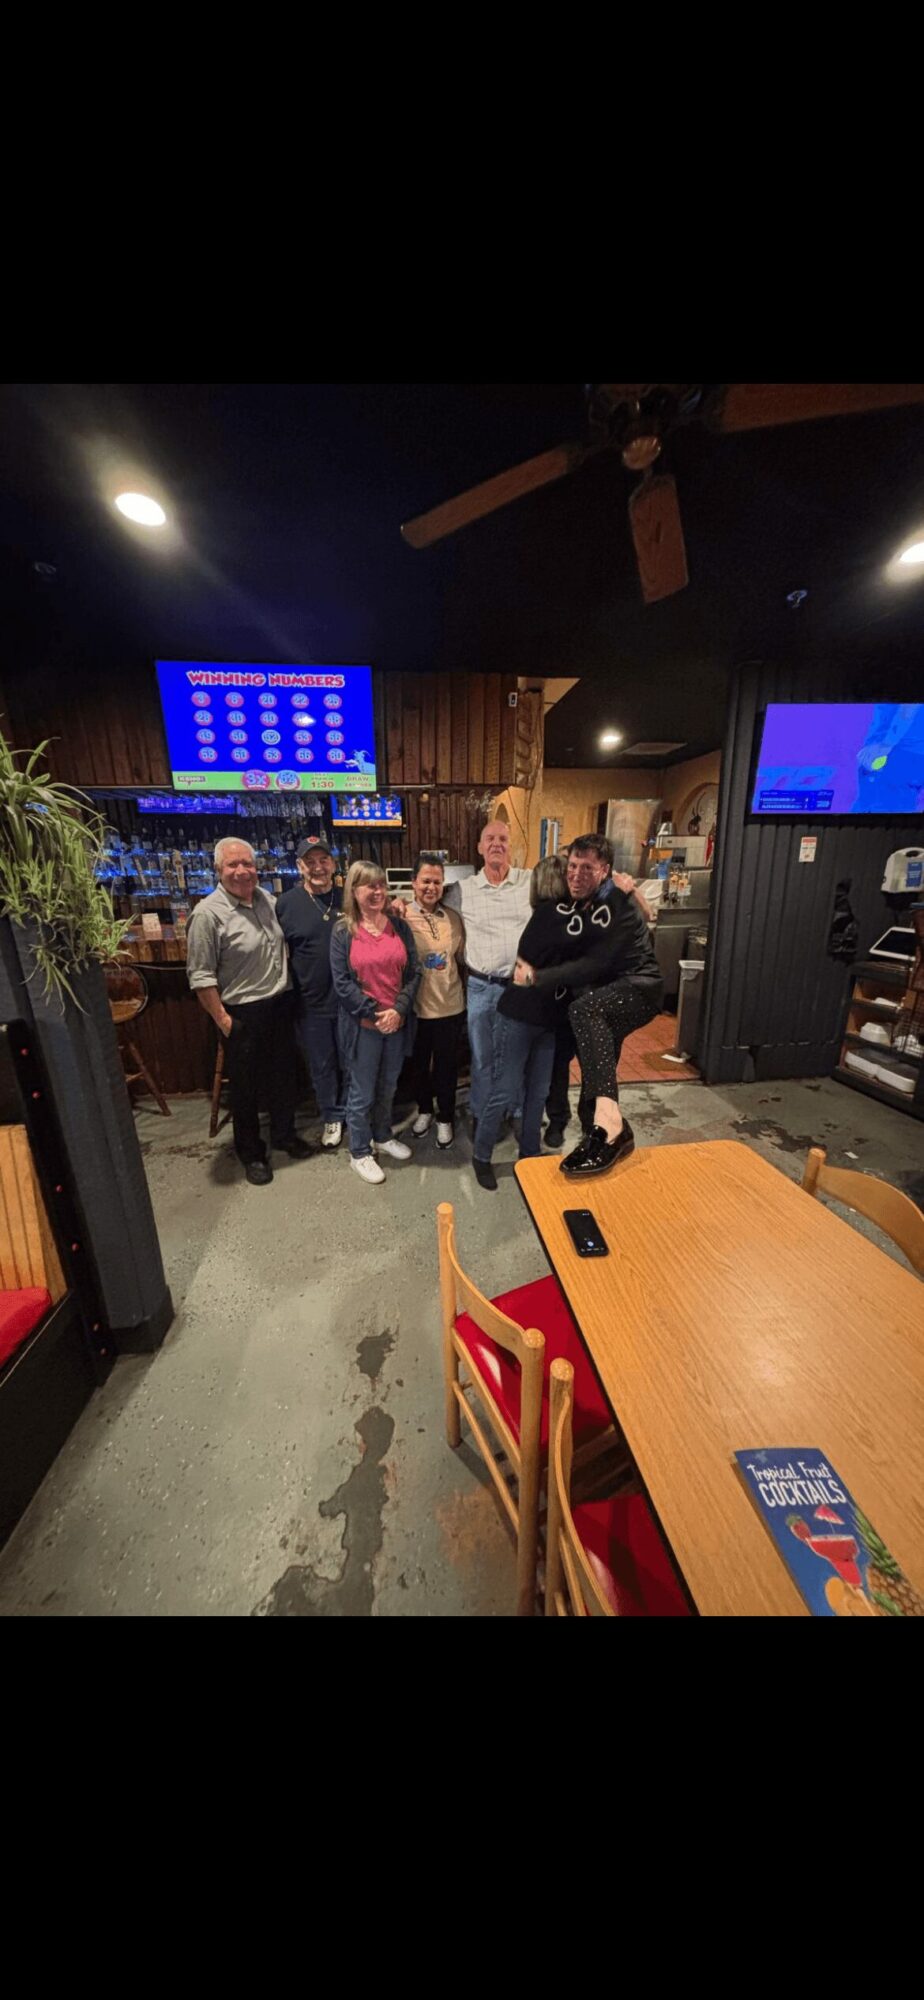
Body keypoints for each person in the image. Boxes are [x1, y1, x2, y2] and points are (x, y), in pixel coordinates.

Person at [513, 832, 663, 1178]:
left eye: (587, 868)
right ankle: (596, 1135)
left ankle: (610, 1128)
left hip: (637, 988)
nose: (577, 874)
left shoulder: (611, 901)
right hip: (607, 998)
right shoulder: (589, 901)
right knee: (599, 1067)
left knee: (584, 1014)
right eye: (573, 866)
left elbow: (590, 964)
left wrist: (536, 977)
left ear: (604, 871)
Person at [186, 837, 314, 1186]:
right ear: (218, 869)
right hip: (242, 1012)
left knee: (283, 1078)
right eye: (233, 864)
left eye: (247, 863)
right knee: (245, 1090)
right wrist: (225, 1021)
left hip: (280, 1004)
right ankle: (251, 1153)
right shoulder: (207, 914)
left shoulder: (267, 900)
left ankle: (284, 1135)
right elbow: (200, 977)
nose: (242, 871)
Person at [470, 854, 570, 1191]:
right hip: (518, 1018)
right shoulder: (548, 916)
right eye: (569, 873)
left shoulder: (560, 915)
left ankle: (529, 1154)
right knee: (504, 1090)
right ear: (555, 881)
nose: (575, 878)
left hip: (546, 1021)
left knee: (537, 1093)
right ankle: (481, 1156)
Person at [542, 862, 657, 1149]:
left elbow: (648, 914)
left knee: (597, 1065)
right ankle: (557, 1120)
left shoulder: (609, 901)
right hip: (564, 1000)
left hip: (600, 998)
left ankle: (592, 1124)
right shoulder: (559, 906)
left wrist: (631, 890)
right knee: (558, 1063)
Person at [330, 862, 421, 1186]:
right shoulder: (343, 931)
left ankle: (382, 1135)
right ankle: (359, 1151)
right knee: (361, 1092)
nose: (377, 891)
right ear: (354, 890)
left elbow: (414, 972)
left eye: (381, 884)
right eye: (369, 885)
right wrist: (374, 1013)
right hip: (363, 1028)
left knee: (388, 1086)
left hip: (396, 1025)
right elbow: (342, 984)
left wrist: (398, 1010)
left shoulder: (399, 927)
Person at [443, 821, 532, 1139]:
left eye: (503, 839)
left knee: (517, 1055)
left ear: (511, 846)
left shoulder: (529, 883)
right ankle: (483, 1114)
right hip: (481, 987)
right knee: (482, 1058)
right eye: (490, 838)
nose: (497, 843)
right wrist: (400, 904)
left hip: (520, 989)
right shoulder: (462, 890)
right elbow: (429, 902)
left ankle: (518, 1111)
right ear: (480, 847)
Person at [275, 837, 346, 1149]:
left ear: (333, 864)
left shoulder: (348, 898)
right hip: (310, 1004)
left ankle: (353, 1113)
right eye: (310, 861)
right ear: (299, 866)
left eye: (323, 860)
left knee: (351, 1062)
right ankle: (332, 1116)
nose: (318, 867)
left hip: (349, 1001)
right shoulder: (285, 904)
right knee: (322, 1065)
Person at [402, 852, 466, 1148]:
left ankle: (445, 1117)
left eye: (437, 882)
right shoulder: (401, 916)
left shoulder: (452, 918)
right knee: (417, 1066)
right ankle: (425, 1110)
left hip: (450, 1006)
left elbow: (460, 958)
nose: (431, 887)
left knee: (446, 1068)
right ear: (414, 883)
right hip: (416, 1008)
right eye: (426, 881)